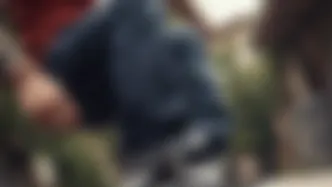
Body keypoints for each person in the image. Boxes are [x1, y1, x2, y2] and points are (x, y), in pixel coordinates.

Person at [2, 0, 231, 168]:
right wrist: (25, 78)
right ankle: (148, 152)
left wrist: (199, 25)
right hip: (62, 73)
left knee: (183, 41)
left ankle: (204, 152)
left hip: (112, 66)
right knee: (132, 5)